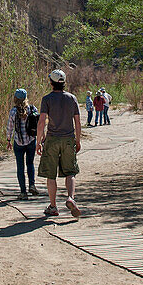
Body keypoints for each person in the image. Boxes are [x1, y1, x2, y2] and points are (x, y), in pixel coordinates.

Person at [36, 68, 82, 218]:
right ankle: (71, 197)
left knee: (51, 175)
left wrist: (38, 141)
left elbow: (42, 121)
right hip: (68, 139)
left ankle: (53, 206)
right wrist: (78, 140)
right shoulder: (72, 98)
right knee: (71, 172)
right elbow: (77, 121)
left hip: (52, 139)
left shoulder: (47, 99)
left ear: (51, 82)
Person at [6, 88, 40, 200]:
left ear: (15, 99)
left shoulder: (13, 112)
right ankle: (32, 185)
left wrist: (8, 140)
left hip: (18, 142)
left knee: (20, 166)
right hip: (31, 140)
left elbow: (10, 127)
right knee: (30, 164)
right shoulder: (32, 109)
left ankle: (23, 192)